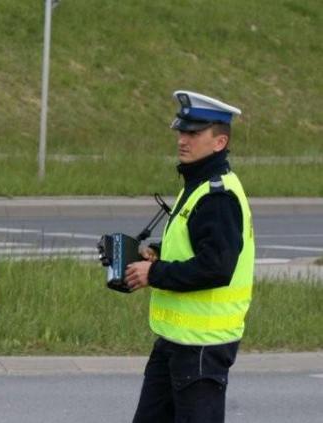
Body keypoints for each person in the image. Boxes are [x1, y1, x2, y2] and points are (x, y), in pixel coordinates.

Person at [124, 90, 255, 423]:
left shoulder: (218, 196)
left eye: (194, 133)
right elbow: (194, 248)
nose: (183, 139)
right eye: (181, 131)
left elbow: (216, 267)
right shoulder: (195, 185)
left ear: (219, 142)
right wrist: (156, 254)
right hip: (174, 342)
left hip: (202, 347)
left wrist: (154, 274)